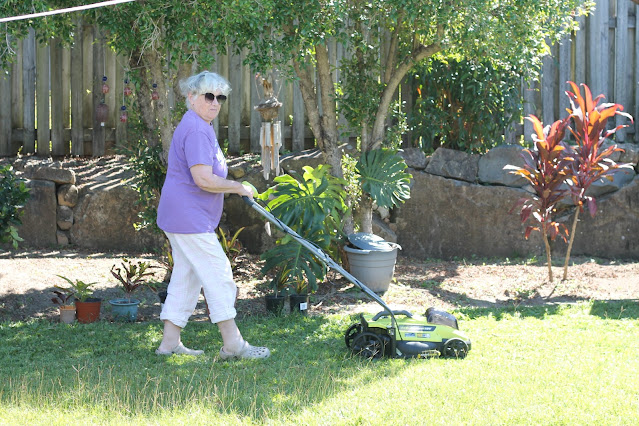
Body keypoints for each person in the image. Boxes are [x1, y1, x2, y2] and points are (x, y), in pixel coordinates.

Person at [155, 71, 270, 360]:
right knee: (219, 276)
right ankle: (233, 345)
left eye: (220, 97)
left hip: (184, 217)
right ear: (191, 97)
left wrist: (235, 187)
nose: (215, 102)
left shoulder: (198, 125)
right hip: (188, 219)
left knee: (188, 275)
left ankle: (169, 344)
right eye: (209, 96)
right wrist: (238, 187)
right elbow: (203, 179)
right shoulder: (195, 129)